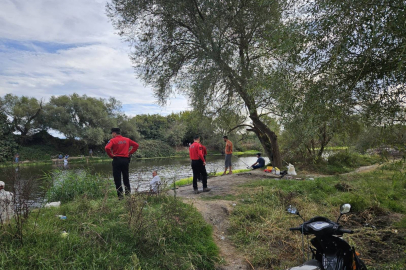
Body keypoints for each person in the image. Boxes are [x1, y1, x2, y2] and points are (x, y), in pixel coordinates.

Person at [105, 128, 139, 199]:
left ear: (114, 133)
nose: (112, 135)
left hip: (117, 160)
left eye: (112, 133)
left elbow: (107, 148)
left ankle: (120, 197)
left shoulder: (112, 140)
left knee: (117, 179)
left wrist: (111, 155)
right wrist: (130, 153)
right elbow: (136, 145)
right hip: (125, 160)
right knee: (126, 177)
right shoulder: (127, 139)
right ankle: (128, 195)